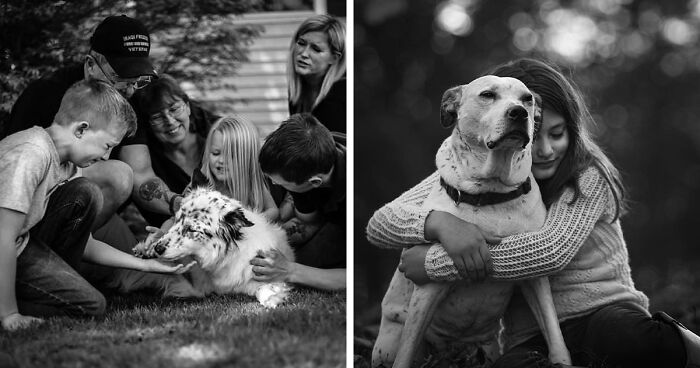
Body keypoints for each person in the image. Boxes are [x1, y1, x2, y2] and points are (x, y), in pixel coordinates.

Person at [366, 58, 699, 368]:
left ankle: (689, 347)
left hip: (604, 312)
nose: (544, 150)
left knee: (628, 340)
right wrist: (438, 223)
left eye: (556, 134)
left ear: (573, 130)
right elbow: (381, 224)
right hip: (530, 335)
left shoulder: (589, 175)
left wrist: (436, 263)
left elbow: (547, 252)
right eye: (535, 136)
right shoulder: (468, 175)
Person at [0, 80, 193, 331]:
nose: (106, 157)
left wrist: (147, 266)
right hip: (8, 246)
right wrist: (10, 315)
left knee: (93, 306)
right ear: (81, 130)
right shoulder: (30, 153)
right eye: (108, 145)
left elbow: (86, 243)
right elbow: (3, 236)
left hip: (22, 246)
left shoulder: (68, 166)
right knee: (86, 192)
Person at [5, 15, 186, 244]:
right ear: (91, 65)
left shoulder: (127, 98)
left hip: (94, 217)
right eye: (121, 77)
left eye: (136, 80)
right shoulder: (44, 93)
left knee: (160, 279)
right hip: (34, 208)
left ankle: (77, 250)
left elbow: (140, 173)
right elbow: (13, 170)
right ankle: (54, 252)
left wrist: (174, 202)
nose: (130, 90)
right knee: (116, 175)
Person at [250, 113, 345, 291]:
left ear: (315, 182)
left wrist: (290, 270)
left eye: (279, 183)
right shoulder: (307, 156)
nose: (274, 185)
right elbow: (308, 222)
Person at [132, 74, 220, 226]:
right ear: (148, 124)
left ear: (187, 106)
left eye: (174, 109)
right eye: (157, 117)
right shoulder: (148, 161)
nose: (170, 121)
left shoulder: (216, 140)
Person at [199, 116, 278, 220]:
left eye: (230, 155)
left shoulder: (251, 180)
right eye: (215, 153)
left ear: (246, 160)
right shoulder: (202, 180)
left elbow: (273, 210)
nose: (221, 160)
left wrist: (252, 221)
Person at [287, 14, 346, 133]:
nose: (304, 54)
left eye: (316, 49)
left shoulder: (344, 95)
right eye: (301, 43)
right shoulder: (297, 92)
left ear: (334, 58)